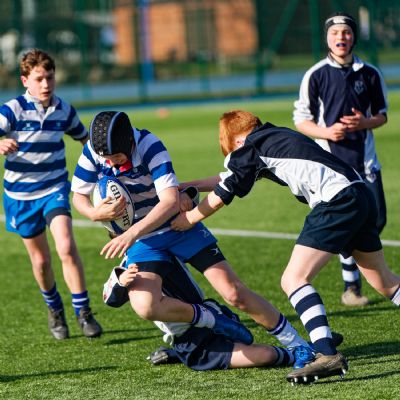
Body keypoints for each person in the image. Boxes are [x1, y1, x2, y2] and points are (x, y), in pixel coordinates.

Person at [71, 110, 319, 366]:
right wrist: (94, 213)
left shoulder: (149, 145)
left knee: (234, 293)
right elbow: (79, 195)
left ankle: (298, 345)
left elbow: (169, 202)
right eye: (106, 159)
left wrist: (131, 233)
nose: (111, 164)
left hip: (178, 227)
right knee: (145, 306)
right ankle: (208, 316)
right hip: (146, 241)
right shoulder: (94, 151)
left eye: (116, 158)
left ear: (129, 143)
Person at [171, 109, 400, 384]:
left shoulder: (249, 147)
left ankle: (327, 354)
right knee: (385, 282)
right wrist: (188, 186)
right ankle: (323, 342)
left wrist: (188, 220)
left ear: (236, 142)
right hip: (359, 193)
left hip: (335, 200)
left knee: (293, 279)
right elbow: (225, 177)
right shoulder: (273, 135)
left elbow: (223, 193)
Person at [0, 49, 102, 339]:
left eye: (50, 77)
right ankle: (55, 309)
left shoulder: (64, 110)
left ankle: (83, 312)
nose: (46, 84)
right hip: (20, 196)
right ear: (25, 81)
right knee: (41, 261)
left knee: (66, 246)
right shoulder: (12, 110)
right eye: (39, 79)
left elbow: (86, 141)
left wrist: (103, 169)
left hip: (54, 188)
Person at [293, 12, 389, 307]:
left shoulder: (370, 73)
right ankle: (351, 287)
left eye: (346, 32)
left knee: (377, 221)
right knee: (350, 224)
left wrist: (364, 123)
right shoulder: (316, 74)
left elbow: (382, 116)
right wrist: (326, 132)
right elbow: (301, 120)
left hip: (366, 163)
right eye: (335, 33)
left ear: (353, 37)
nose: (341, 37)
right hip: (333, 170)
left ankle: (357, 281)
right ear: (327, 38)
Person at [103, 256, 314, 371]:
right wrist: (121, 281)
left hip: (217, 315)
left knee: (248, 340)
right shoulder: (127, 267)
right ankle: (301, 352)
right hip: (193, 343)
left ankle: (305, 345)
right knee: (266, 355)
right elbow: (110, 298)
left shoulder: (163, 244)